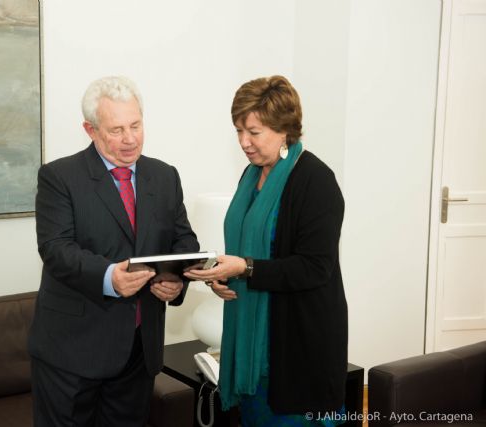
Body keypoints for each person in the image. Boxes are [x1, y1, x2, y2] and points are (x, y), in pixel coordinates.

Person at [28, 76, 199, 426]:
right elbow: (56, 249)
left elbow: (184, 242)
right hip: (72, 354)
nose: (130, 138)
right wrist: (109, 278)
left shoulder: (165, 176)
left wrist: (176, 281)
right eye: (117, 129)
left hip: (139, 350)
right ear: (90, 130)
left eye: (135, 125)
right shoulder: (59, 177)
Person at [185, 75, 347, 426]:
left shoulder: (316, 181)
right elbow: (245, 250)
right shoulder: (251, 175)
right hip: (251, 342)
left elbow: (314, 268)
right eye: (238, 131)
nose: (244, 142)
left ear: (284, 128)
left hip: (295, 347)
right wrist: (221, 277)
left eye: (254, 132)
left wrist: (245, 269)